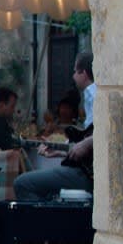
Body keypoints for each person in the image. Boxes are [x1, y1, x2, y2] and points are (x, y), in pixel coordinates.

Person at [14, 52, 95, 201]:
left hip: (89, 176)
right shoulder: (92, 96)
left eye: (74, 72)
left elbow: (104, 135)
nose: (72, 77)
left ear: (83, 73)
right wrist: (60, 152)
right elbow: (88, 150)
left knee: (23, 183)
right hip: (87, 171)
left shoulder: (94, 95)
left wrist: (85, 143)